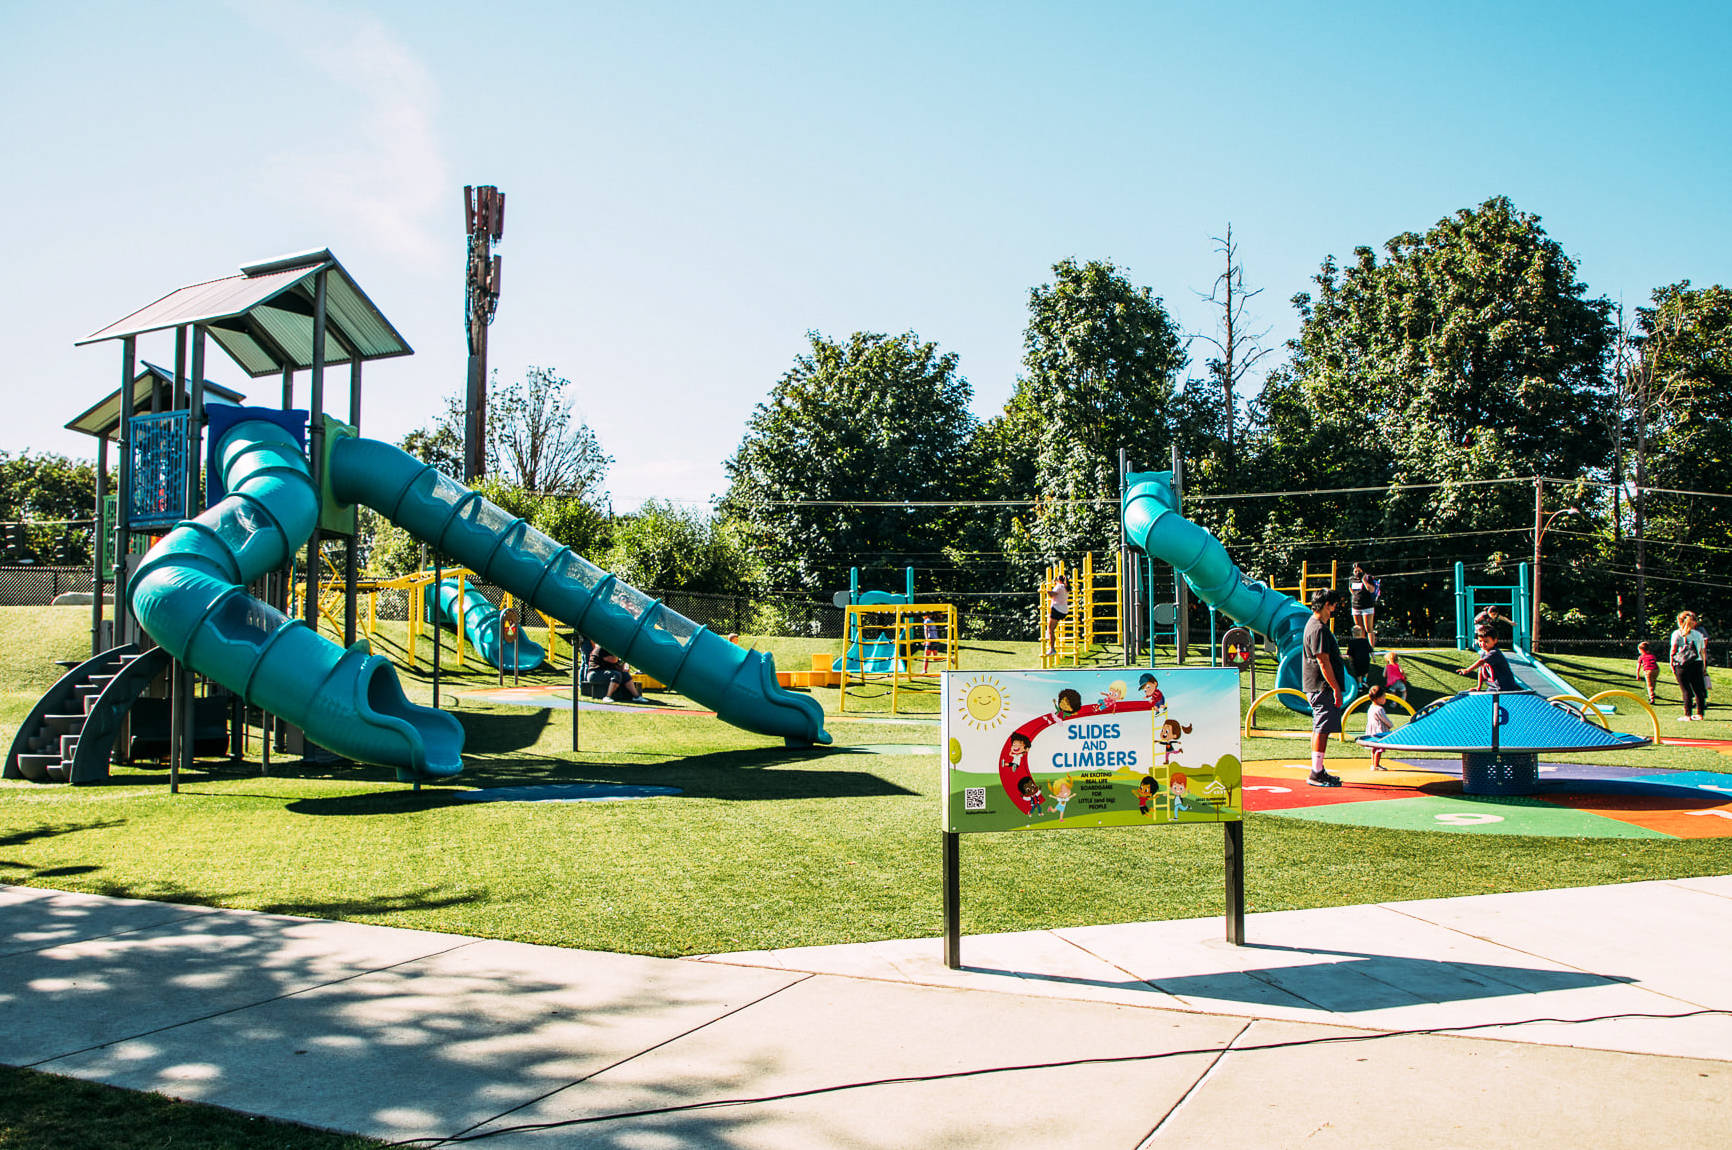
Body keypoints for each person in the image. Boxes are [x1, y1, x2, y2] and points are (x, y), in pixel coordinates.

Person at [1301, 587, 1345, 787]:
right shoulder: (1318, 628)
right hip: (1321, 686)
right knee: (1322, 727)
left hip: (1317, 685)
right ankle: (1316, 772)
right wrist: (1335, 687)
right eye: (1334, 604)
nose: (1335, 608)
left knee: (1322, 726)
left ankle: (1318, 769)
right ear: (1328, 605)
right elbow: (1323, 661)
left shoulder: (1313, 624)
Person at [1669, 610, 1709, 721]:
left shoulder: (1677, 634)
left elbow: (1673, 650)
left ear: (1679, 621)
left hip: (1682, 663)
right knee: (1698, 689)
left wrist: (1671, 664)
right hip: (1697, 662)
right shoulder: (1698, 634)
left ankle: (1687, 714)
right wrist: (1704, 666)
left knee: (1686, 690)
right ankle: (1700, 714)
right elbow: (1702, 651)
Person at [1456, 626, 1521, 690]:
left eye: (1486, 641)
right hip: (1493, 687)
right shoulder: (1484, 653)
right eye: (1480, 641)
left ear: (1495, 641)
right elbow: (1480, 671)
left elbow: (1481, 662)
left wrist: (1467, 670)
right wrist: (1478, 687)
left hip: (1505, 687)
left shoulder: (1494, 653)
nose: (1482, 644)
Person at [1363, 683, 1393, 770]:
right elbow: (1385, 720)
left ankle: (1374, 764)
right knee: (1379, 749)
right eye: (1383, 697)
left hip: (1372, 731)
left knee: (1374, 748)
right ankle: (1376, 765)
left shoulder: (1371, 707)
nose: (1385, 699)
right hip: (1379, 731)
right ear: (1378, 698)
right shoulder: (1379, 709)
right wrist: (1390, 725)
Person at [1349, 563, 1379, 647]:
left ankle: (1371, 647)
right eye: (1355, 571)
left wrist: (1364, 581)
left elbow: (1371, 590)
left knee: (1368, 628)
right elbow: (1351, 589)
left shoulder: (1368, 578)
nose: (1357, 573)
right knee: (1359, 628)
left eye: (1359, 571)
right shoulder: (1351, 579)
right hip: (1356, 606)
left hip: (1367, 606)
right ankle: (1362, 647)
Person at [1045, 572, 1070, 656]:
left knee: (1051, 629)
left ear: (1058, 580)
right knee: (1051, 628)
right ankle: (1048, 637)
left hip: (1056, 609)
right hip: (1063, 611)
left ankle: (1052, 648)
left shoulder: (1059, 586)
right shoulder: (1066, 587)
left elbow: (1052, 594)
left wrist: (1047, 591)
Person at [1635, 640, 1660, 705]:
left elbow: (1638, 666)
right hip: (1656, 670)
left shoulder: (1641, 657)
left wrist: (1637, 674)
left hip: (1648, 671)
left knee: (1649, 685)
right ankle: (1652, 693)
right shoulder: (1652, 655)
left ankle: (1651, 698)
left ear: (1641, 650)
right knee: (1653, 681)